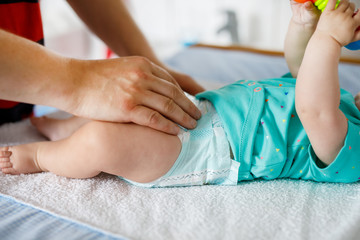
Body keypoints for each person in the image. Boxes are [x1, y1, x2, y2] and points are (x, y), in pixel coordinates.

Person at [1, 0, 360, 186]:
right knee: (126, 108)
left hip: (212, 153)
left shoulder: (352, 145)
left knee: (102, 143)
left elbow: (314, 109)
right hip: (206, 111)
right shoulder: (344, 100)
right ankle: (65, 128)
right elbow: (301, 66)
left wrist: (328, 39)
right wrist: (304, 23)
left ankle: (41, 157)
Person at [0, 0, 204, 135]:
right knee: (104, 136)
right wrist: (80, 82)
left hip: (18, 105)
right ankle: (44, 147)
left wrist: (152, 66)